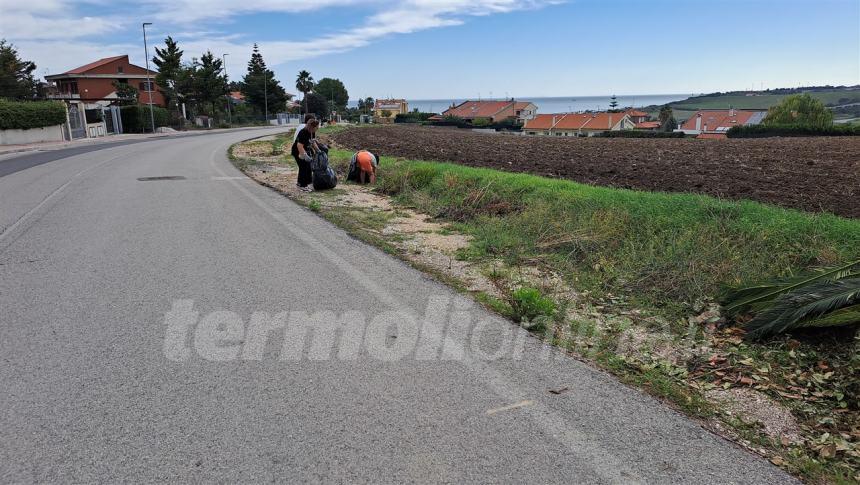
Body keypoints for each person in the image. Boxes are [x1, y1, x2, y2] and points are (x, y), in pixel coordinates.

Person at [291, 118, 320, 192]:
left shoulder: (312, 132)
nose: (318, 128)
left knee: (306, 167)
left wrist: (318, 150)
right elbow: (299, 145)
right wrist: (304, 155)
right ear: (312, 127)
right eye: (317, 127)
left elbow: (313, 142)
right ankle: (302, 186)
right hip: (297, 151)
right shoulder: (303, 132)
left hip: (304, 150)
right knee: (304, 167)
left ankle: (300, 183)